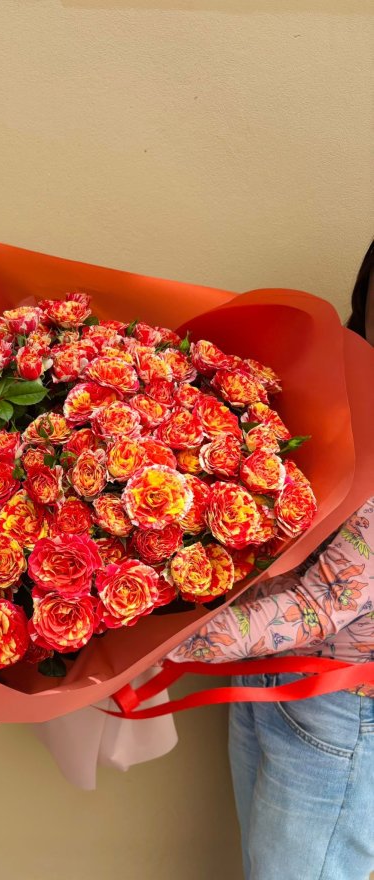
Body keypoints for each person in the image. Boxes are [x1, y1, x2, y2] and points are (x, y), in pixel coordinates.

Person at [167, 239, 374, 880]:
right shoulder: (338, 388)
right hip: (262, 676)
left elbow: (327, 601)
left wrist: (170, 642)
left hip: (336, 705)